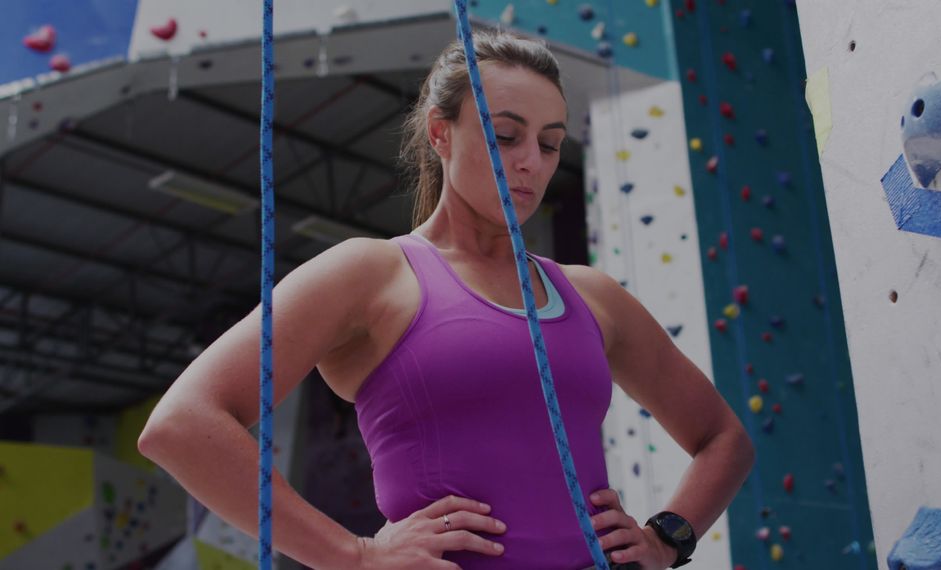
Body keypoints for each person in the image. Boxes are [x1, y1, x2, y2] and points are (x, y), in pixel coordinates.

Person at [138, 29, 754, 570]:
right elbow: (183, 425)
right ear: (441, 133)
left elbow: (724, 439)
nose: (529, 164)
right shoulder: (372, 273)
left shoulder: (591, 295)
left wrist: (666, 538)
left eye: (548, 143)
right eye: (506, 135)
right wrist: (351, 555)